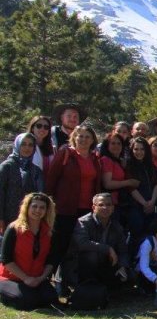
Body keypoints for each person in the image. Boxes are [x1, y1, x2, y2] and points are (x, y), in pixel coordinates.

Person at [45, 124, 102, 287]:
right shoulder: (65, 154)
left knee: (79, 247)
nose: (83, 139)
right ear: (74, 137)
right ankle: (46, 281)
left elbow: (96, 184)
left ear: (93, 140)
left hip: (86, 210)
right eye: (80, 136)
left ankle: (72, 282)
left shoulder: (95, 158)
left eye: (87, 137)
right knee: (59, 245)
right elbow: (51, 181)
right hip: (65, 208)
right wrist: (49, 205)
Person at [0, 193, 59, 310]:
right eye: (34, 206)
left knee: (51, 299)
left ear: (47, 211)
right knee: (27, 302)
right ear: (27, 208)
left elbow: (51, 260)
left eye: (42, 207)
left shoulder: (48, 232)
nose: (38, 210)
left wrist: (41, 278)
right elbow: (6, 259)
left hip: (36, 278)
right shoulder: (13, 228)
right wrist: (25, 278)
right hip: (11, 277)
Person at [71, 193, 129, 306]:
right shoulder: (83, 222)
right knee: (92, 254)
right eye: (101, 205)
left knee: (129, 274)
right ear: (94, 207)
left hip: (105, 265)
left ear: (113, 208)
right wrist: (107, 249)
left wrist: (123, 266)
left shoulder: (116, 226)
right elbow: (82, 244)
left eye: (108, 205)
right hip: (82, 267)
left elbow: (123, 250)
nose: (105, 208)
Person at [1, 133, 44, 233]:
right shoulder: (7, 166)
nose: (27, 148)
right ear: (17, 145)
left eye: (30, 145)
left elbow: (40, 195)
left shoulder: (36, 170)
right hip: (8, 217)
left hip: (28, 218)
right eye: (23, 144)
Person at [126, 137, 157, 249]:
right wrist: (144, 203)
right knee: (136, 232)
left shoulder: (150, 166)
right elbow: (131, 188)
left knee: (150, 233)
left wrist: (152, 202)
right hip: (135, 205)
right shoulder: (129, 165)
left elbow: (156, 184)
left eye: (142, 149)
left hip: (151, 204)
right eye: (136, 149)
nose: (139, 152)